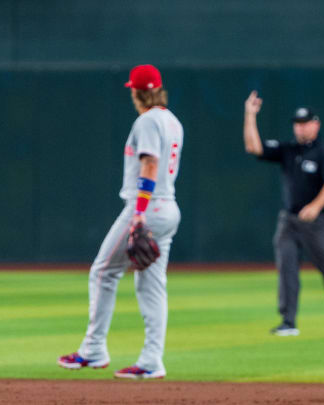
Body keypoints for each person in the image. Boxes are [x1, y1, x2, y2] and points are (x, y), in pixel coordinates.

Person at [58, 64, 183, 380]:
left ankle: (93, 350)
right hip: (169, 208)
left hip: (147, 208)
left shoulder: (147, 121)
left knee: (104, 271)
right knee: (152, 284)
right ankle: (152, 360)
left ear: (137, 92)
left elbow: (150, 164)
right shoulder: (172, 121)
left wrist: (139, 214)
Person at [243, 91, 324, 336]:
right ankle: (288, 321)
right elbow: (253, 147)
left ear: (315, 124)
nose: (300, 128)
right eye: (297, 124)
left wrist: (315, 206)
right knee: (286, 266)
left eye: (305, 123)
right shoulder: (289, 150)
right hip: (289, 220)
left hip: (318, 221)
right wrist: (250, 115)